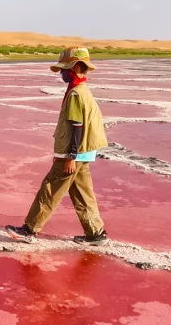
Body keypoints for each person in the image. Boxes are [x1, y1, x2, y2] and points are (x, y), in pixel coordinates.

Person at [6, 46, 107, 244]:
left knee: (50, 189)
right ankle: (96, 233)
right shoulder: (81, 90)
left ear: (76, 67)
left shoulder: (76, 94)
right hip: (83, 153)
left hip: (74, 154)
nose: (61, 73)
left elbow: (77, 127)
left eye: (64, 68)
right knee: (82, 193)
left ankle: (30, 229)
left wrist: (70, 156)